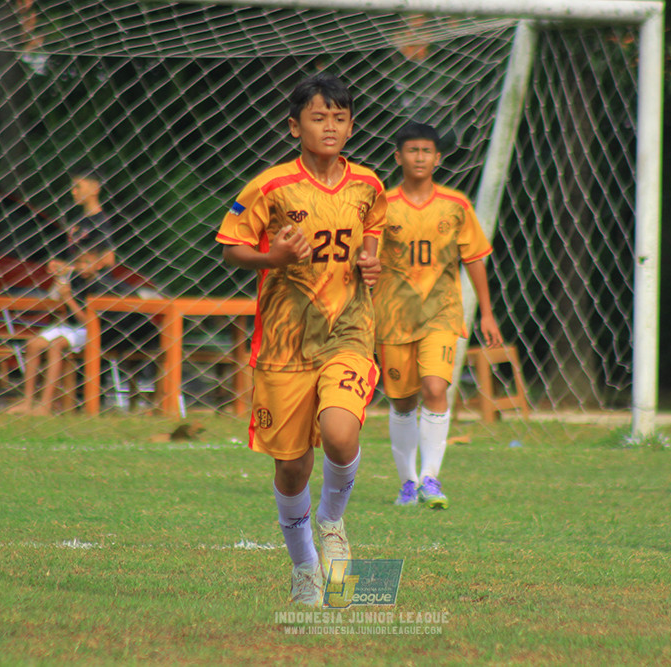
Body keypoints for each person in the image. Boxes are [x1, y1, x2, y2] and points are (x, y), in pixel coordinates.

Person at [215, 72, 385, 606]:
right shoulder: (269, 188)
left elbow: (374, 227)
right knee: (291, 467)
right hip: (285, 343)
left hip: (349, 331)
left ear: (351, 125)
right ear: (295, 126)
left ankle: (333, 523)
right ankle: (306, 570)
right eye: (318, 116)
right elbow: (229, 247)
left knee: (339, 433)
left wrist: (371, 259)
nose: (330, 126)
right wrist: (275, 257)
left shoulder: (369, 185)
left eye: (339, 117)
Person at [373, 122, 502, 509]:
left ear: (437, 158)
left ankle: (430, 478)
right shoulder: (383, 206)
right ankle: (407, 482)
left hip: (442, 314)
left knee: (434, 388)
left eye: (426, 151)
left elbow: (475, 258)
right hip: (393, 316)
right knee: (402, 402)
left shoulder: (456, 206)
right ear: (399, 157)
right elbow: (366, 259)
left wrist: (487, 313)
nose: (419, 157)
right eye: (411, 150)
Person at [7, 241, 114, 416]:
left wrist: (68, 298)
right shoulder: (74, 277)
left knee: (56, 345)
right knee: (33, 344)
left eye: (86, 263)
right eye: (78, 262)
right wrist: (59, 277)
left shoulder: (102, 284)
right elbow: (55, 294)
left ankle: (45, 405)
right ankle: (27, 402)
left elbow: (89, 321)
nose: (81, 266)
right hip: (68, 326)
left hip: (88, 330)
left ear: (99, 264)